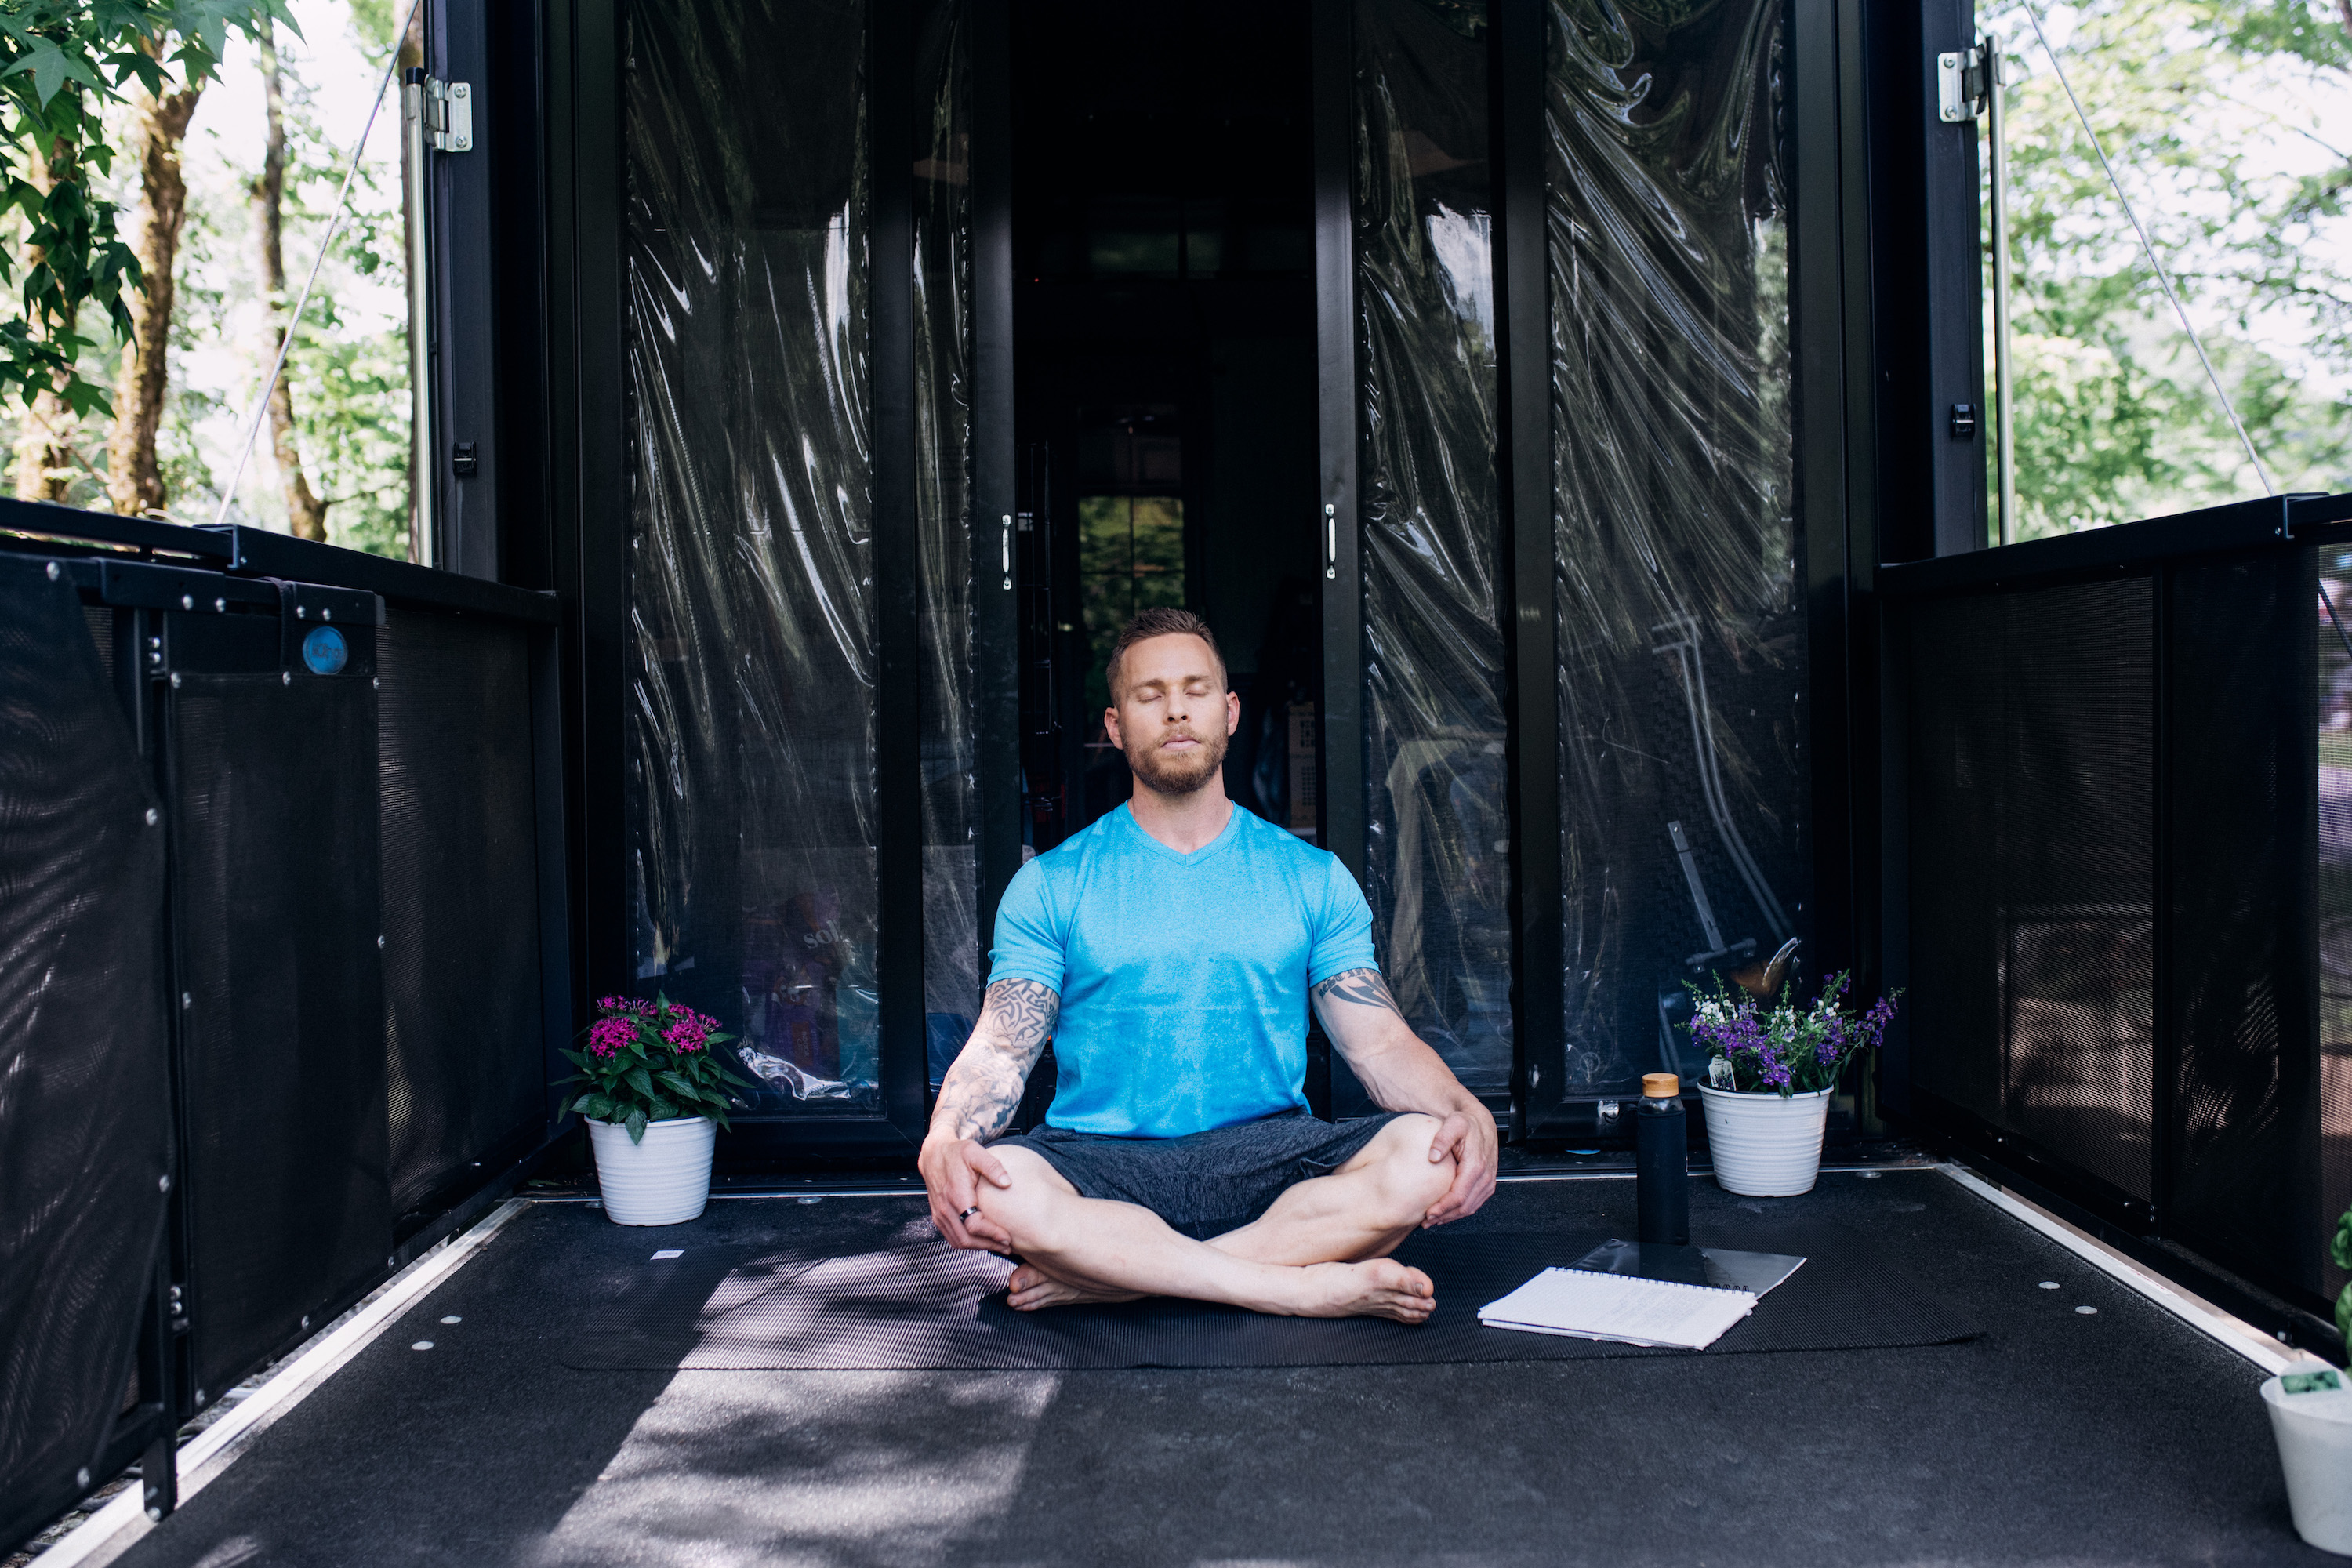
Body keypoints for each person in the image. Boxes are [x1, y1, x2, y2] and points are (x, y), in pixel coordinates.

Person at [918, 607, 1498, 1322]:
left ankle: (1118, 1276)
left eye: (1194, 690)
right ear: (1114, 725)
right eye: (1148, 694)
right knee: (994, 1187)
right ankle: (1294, 1286)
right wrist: (947, 1135)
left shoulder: (1310, 877)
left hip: (1269, 1153)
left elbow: (1376, 1044)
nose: (1174, 711)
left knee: (1428, 1154)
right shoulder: (1053, 883)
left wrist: (1465, 1110)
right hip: (1099, 1157)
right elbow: (1005, 1044)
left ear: (1228, 713)